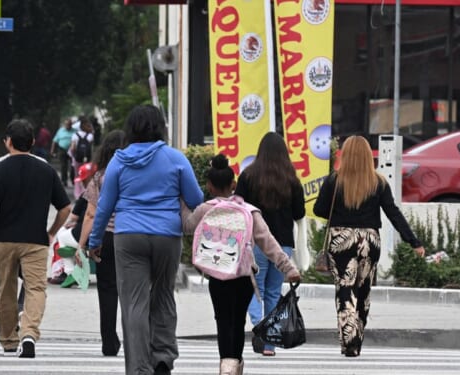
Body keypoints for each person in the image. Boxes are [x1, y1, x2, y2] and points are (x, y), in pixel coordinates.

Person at [88, 105, 204, 375]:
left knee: (134, 303)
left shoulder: (119, 161)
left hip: (128, 237)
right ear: (160, 127)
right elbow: (196, 199)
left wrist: (95, 240)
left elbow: (104, 206)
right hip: (167, 235)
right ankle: (163, 356)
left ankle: (140, 368)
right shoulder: (175, 158)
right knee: (163, 294)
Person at [182, 154, 301, 375]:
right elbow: (268, 242)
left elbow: (188, 226)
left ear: (208, 186)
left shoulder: (205, 209)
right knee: (237, 322)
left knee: (223, 322)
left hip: (217, 277)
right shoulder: (249, 211)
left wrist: (180, 201)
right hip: (244, 276)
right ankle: (235, 364)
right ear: (234, 185)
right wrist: (288, 268)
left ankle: (226, 366)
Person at [313, 135, 426, 357]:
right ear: (367, 156)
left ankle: (349, 341)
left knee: (345, 289)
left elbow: (318, 210)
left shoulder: (334, 181)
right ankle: (358, 338)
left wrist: (338, 214)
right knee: (363, 291)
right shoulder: (379, 183)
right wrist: (414, 241)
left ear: (344, 155)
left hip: (341, 240)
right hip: (370, 240)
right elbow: (393, 213)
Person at [0, 119, 71, 358]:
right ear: (32, 142)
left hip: (4, 238)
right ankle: (29, 333)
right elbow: (65, 208)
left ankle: (9, 340)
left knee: (6, 289)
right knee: (36, 288)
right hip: (36, 239)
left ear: (7, 142)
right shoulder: (46, 170)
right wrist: (52, 231)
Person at [234, 132, 306, 357]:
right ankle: (269, 345)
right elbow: (299, 213)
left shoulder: (248, 176)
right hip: (282, 243)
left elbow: (238, 206)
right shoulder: (291, 179)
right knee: (274, 291)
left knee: (255, 289)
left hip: (255, 242)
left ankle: (259, 327)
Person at [78, 129, 126, 356]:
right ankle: (134, 338)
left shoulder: (100, 177)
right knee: (131, 290)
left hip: (106, 236)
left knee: (107, 290)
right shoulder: (134, 174)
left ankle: (109, 341)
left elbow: (90, 214)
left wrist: (82, 243)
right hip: (130, 235)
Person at [69, 117, 94, 199]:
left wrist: (74, 156)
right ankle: (86, 193)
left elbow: (72, 148)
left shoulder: (75, 135)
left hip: (77, 159)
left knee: (77, 176)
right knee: (87, 175)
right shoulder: (90, 136)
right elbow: (90, 148)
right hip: (87, 160)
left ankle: (77, 194)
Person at [50, 119, 76, 187]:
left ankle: (73, 179)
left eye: (69, 124)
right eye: (67, 124)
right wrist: (52, 150)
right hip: (62, 149)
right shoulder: (60, 131)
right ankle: (64, 181)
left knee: (72, 165)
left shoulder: (74, 131)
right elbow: (54, 141)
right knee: (63, 165)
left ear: (71, 125)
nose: (68, 126)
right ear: (64, 125)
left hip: (72, 150)